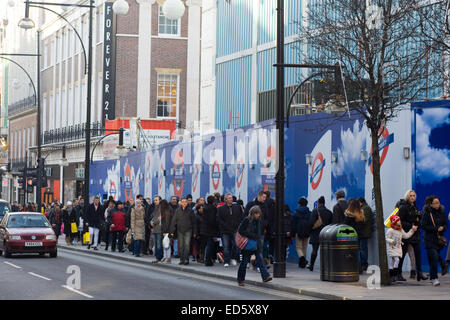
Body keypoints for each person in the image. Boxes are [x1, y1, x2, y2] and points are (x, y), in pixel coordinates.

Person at [237, 205, 272, 286]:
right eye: (256, 213)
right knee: (244, 262)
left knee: (260, 260)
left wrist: (259, 241)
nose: (258, 215)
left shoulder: (259, 220)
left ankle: (265, 276)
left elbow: (259, 233)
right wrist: (251, 235)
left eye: (258, 213)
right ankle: (240, 279)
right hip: (247, 245)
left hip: (256, 244)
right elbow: (240, 230)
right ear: (252, 213)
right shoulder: (247, 220)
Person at [397, 190, 428, 281]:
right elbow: (400, 221)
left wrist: (418, 225)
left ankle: (419, 273)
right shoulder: (403, 207)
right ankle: (398, 273)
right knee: (402, 255)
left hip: (415, 234)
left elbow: (417, 219)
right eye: (410, 196)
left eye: (414, 195)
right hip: (406, 234)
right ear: (407, 196)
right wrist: (411, 226)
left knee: (418, 253)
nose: (412, 197)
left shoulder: (414, 206)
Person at [422, 196, 447, 286]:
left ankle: (432, 276)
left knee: (433, 259)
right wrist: (436, 228)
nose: (437, 204)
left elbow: (445, 224)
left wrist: (443, 228)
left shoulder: (442, 212)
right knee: (434, 257)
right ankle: (434, 278)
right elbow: (424, 226)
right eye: (435, 203)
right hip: (429, 239)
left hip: (438, 240)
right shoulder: (427, 213)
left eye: (438, 202)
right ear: (431, 204)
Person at [386, 215, 418, 282]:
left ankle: (391, 275)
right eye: (398, 224)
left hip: (398, 248)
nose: (399, 225)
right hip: (392, 248)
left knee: (392, 262)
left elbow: (406, 236)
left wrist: (412, 230)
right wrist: (392, 241)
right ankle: (394, 274)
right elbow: (386, 238)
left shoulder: (400, 230)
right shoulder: (390, 231)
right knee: (397, 260)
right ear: (394, 224)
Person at [245, 191, 270, 268]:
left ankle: (257, 265)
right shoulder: (250, 204)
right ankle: (248, 262)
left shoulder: (265, 205)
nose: (264, 199)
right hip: (251, 231)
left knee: (259, 249)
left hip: (261, 231)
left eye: (265, 197)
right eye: (263, 197)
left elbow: (266, 217)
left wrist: (264, 225)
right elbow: (245, 215)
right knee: (250, 247)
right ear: (259, 196)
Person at [217, 193, 243, 267]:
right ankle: (226, 261)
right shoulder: (221, 208)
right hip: (225, 231)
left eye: (231, 198)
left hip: (235, 229)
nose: (231, 199)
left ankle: (233, 257)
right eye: (229, 198)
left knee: (236, 244)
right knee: (226, 246)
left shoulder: (237, 207)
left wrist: (238, 225)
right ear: (225, 200)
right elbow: (219, 219)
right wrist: (225, 226)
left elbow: (241, 217)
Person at [308, 196, 332, 271]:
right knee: (325, 251)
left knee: (314, 250)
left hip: (316, 234)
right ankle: (325, 267)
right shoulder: (329, 212)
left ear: (318, 203)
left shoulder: (315, 211)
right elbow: (331, 224)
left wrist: (310, 231)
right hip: (326, 234)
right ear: (324, 203)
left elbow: (311, 222)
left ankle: (311, 265)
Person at [170, 197, 197, 265]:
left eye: (185, 202)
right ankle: (181, 259)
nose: (184, 203)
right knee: (181, 246)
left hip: (188, 230)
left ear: (187, 203)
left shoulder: (190, 211)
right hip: (180, 230)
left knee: (187, 245)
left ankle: (186, 259)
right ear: (181, 203)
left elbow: (194, 222)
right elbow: (174, 221)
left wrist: (195, 232)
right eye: (183, 202)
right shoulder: (177, 211)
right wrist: (172, 231)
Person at [293, 197, 311, 268]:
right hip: (307, 232)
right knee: (304, 247)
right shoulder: (309, 213)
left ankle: (302, 259)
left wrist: (293, 232)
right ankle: (302, 264)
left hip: (299, 232)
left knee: (298, 247)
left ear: (300, 204)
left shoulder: (297, 213)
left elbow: (294, 224)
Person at [202, 195, 220, 266]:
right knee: (210, 245)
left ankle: (207, 259)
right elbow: (212, 220)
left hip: (205, 229)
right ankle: (208, 260)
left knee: (207, 244)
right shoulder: (212, 208)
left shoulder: (205, 207)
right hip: (210, 230)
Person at [358, 197, 374, 273]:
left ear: (361, 202)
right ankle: (362, 264)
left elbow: (364, 219)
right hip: (362, 232)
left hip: (364, 232)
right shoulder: (364, 208)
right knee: (362, 249)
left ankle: (364, 265)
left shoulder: (366, 208)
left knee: (363, 249)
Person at [159, 199, 173, 263]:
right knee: (165, 244)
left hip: (167, 229)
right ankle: (165, 257)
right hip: (165, 229)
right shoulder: (166, 209)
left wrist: (165, 231)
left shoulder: (167, 210)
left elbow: (167, 222)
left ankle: (168, 257)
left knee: (167, 244)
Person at [150, 196, 163, 263]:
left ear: (160, 200)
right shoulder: (156, 207)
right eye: (154, 200)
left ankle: (159, 258)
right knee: (156, 244)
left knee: (159, 244)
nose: (155, 201)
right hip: (155, 228)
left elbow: (160, 218)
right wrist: (151, 221)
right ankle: (157, 257)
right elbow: (154, 216)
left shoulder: (161, 208)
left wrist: (153, 222)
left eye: (156, 200)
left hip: (159, 228)